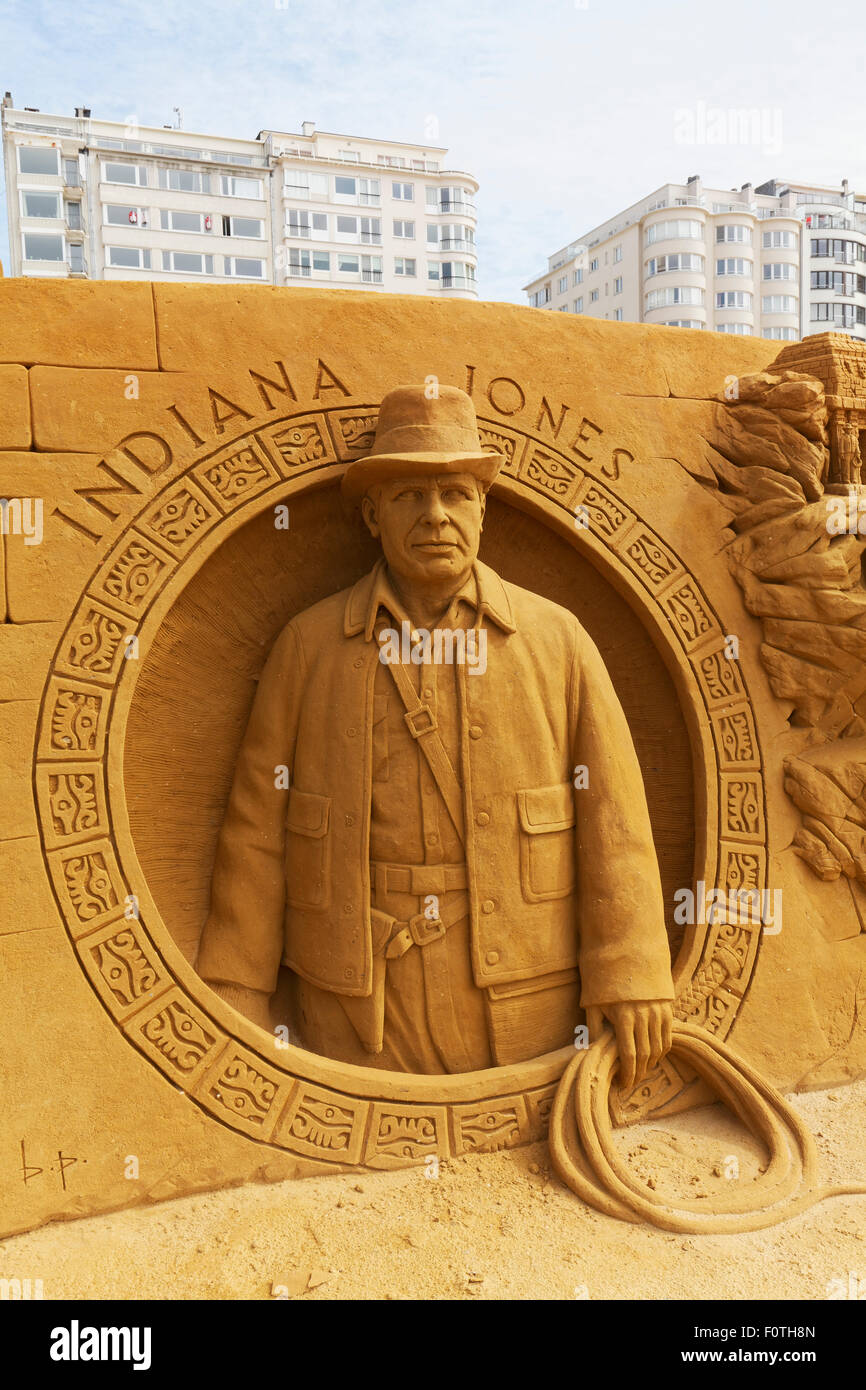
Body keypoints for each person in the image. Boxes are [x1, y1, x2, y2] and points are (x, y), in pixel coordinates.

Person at [196, 384, 674, 1086]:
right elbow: (256, 829)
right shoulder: (310, 645)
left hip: (524, 992)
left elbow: (616, 820)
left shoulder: (556, 640)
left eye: (455, 494)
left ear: (484, 509)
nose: (435, 517)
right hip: (357, 1000)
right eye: (407, 497)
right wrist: (236, 984)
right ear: (370, 515)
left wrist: (632, 972)